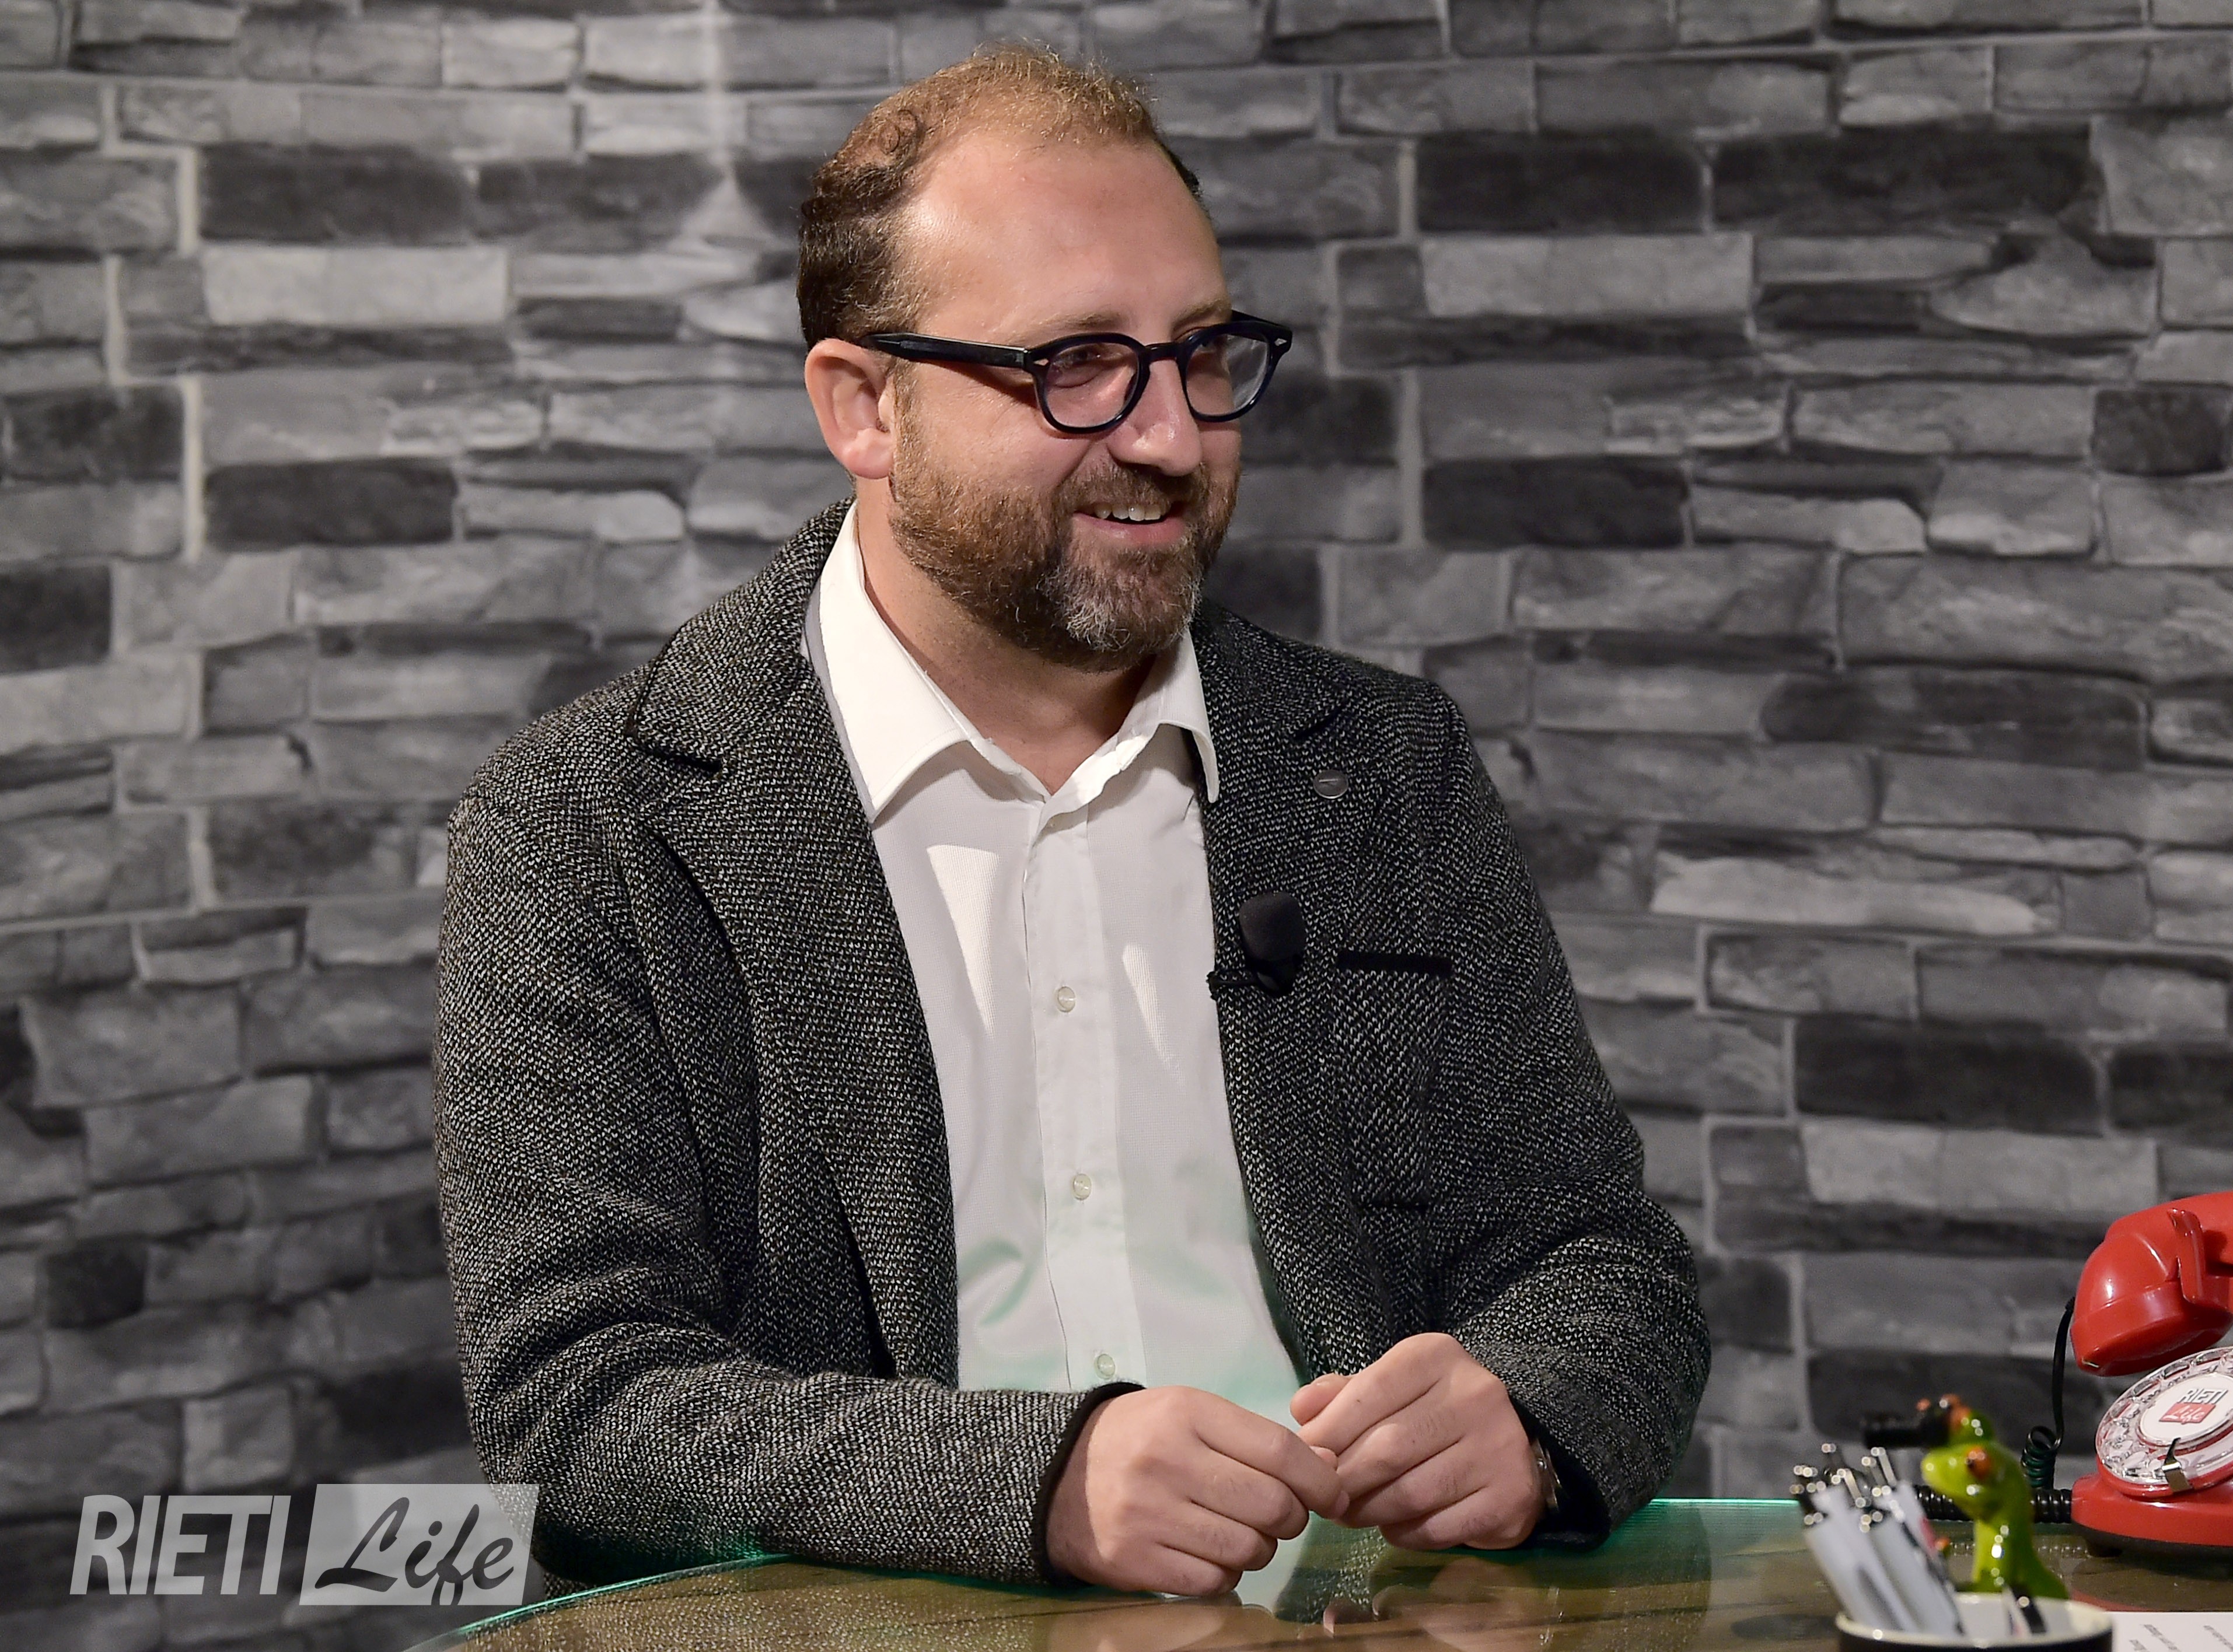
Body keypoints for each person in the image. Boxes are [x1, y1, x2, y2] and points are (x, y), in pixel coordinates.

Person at [432, 44, 1707, 1598]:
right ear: (865, 407)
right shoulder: (584, 826)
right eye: (1077, 366)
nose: (1169, 437)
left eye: (1200, 354)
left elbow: (1601, 1262)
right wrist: (1033, 1485)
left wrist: (1528, 1414)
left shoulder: (1383, 768)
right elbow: (577, 1405)